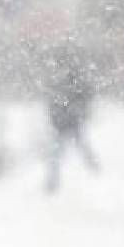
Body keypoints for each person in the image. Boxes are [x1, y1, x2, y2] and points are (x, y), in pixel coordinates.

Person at [44, 43, 99, 192]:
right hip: (67, 123)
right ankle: (94, 171)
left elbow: (54, 103)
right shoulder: (69, 82)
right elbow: (54, 103)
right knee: (70, 150)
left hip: (68, 122)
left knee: (60, 153)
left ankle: (95, 172)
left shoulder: (65, 82)